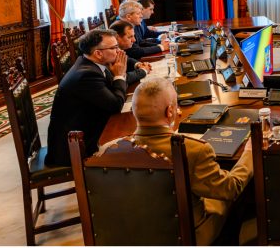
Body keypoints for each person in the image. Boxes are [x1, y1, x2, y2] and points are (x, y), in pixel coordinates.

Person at [102, 77, 253, 244]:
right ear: (170, 112)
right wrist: (249, 153)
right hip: (186, 235)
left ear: (133, 111)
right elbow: (230, 189)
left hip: (131, 235)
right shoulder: (194, 150)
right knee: (241, 192)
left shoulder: (108, 150)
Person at [45, 29, 129, 167]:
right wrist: (119, 75)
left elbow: (112, 92)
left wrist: (119, 76)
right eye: (114, 47)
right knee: (132, 146)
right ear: (98, 53)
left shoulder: (90, 63)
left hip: (85, 131)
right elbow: (115, 106)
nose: (119, 51)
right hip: (75, 148)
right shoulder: (86, 75)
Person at [110, 20, 153, 85]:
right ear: (117, 38)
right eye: (130, 37)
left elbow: (127, 59)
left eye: (133, 36)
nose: (134, 40)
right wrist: (143, 70)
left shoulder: (118, 50)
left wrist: (138, 64)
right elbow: (122, 78)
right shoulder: (109, 54)